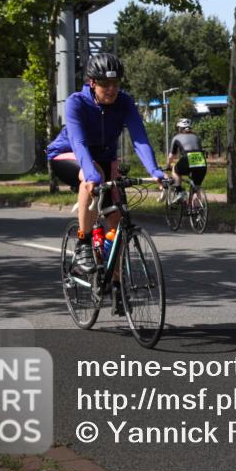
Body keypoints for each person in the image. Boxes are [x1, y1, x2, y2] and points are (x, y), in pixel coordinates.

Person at [46, 54, 166, 312]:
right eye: (104, 84)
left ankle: (115, 284)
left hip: (104, 158)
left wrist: (155, 171)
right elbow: (78, 143)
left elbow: (140, 138)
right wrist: (90, 175)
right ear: (92, 82)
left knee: (118, 223)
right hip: (67, 154)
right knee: (94, 175)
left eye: (116, 83)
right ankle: (83, 243)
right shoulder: (76, 102)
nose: (111, 89)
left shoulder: (124, 102)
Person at [166, 118, 207, 202]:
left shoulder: (176, 137)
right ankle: (198, 210)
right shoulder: (197, 137)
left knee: (175, 170)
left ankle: (179, 191)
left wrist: (168, 165)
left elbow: (171, 156)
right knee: (196, 187)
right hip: (201, 160)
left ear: (179, 128)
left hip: (188, 158)